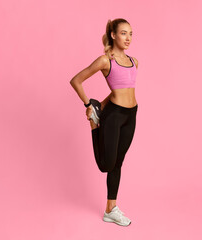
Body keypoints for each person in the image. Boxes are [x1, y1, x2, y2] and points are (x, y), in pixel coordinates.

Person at [70, 18, 138, 227]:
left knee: (118, 162)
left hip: (132, 114)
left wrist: (101, 102)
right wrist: (88, 105)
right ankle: (94, 125)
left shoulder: (134, 61)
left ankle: (111, 209)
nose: (128, 38)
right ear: (113, 35)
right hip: (114, 115)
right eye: (124, 33)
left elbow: (119, 89)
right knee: (106, 165)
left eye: (131, 33)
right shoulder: (105, 60)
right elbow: (76, 80)